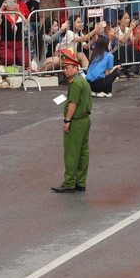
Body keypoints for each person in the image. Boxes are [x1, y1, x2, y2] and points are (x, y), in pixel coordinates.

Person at [52, 48, 93, 193]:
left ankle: (69, 182)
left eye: (67, 67)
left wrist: (67, 120)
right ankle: (80, 182)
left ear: (76, 67)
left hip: (76, 121)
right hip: (85, 120)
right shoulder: (82, 80)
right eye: (63, 68)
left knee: (71, 152)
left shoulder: (75, 83)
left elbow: (73, 104)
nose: (65, 70)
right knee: (83, 152)